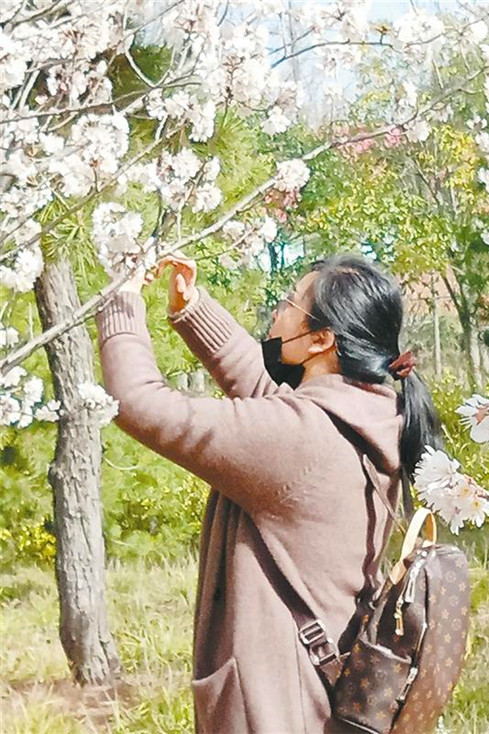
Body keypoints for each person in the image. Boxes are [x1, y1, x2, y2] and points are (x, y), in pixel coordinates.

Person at [96, 252, 442, 734]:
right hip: (312, 697)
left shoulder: (299, 437)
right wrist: (193, 309)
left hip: (274, 706)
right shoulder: (369, 418)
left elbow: (139, 403)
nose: (277, 312)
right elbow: (266, 393)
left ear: (320, 340)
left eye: (290, 304)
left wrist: (121, 302)